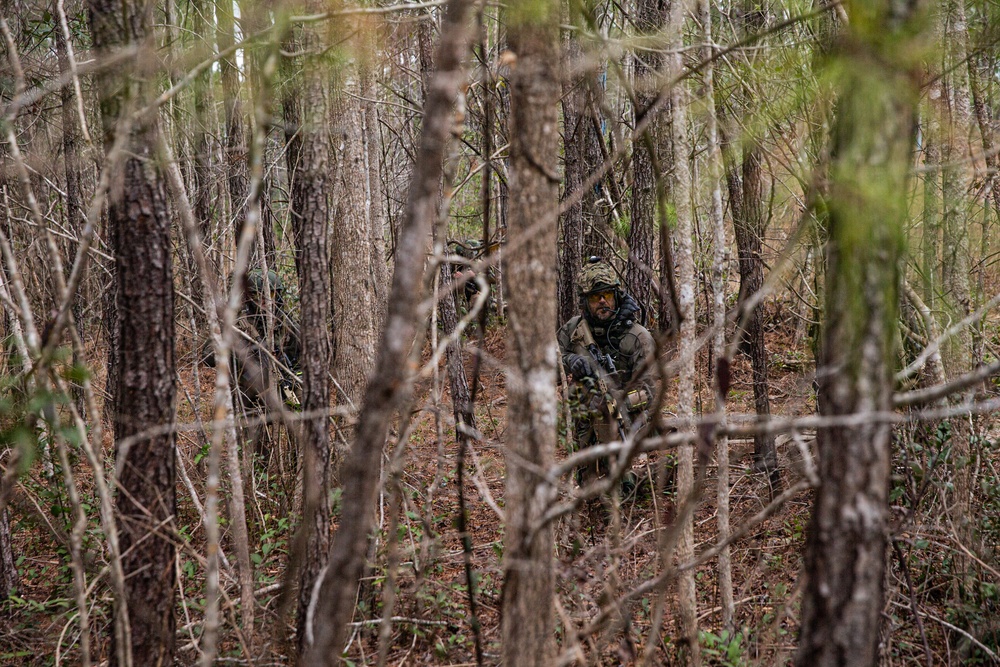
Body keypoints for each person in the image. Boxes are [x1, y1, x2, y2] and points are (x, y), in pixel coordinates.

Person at [558, 257, 657, 486]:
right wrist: (568, 361)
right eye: (595, 297)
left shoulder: (637, 337)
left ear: (617, 296)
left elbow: (648, 392)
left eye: (608, 296)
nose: (603, 302)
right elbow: (546, 368)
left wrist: (617, 401)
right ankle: (587, 472)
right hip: (584, 415)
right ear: (585, 302)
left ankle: (621, 476)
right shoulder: (572, 329)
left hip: (627, 417)